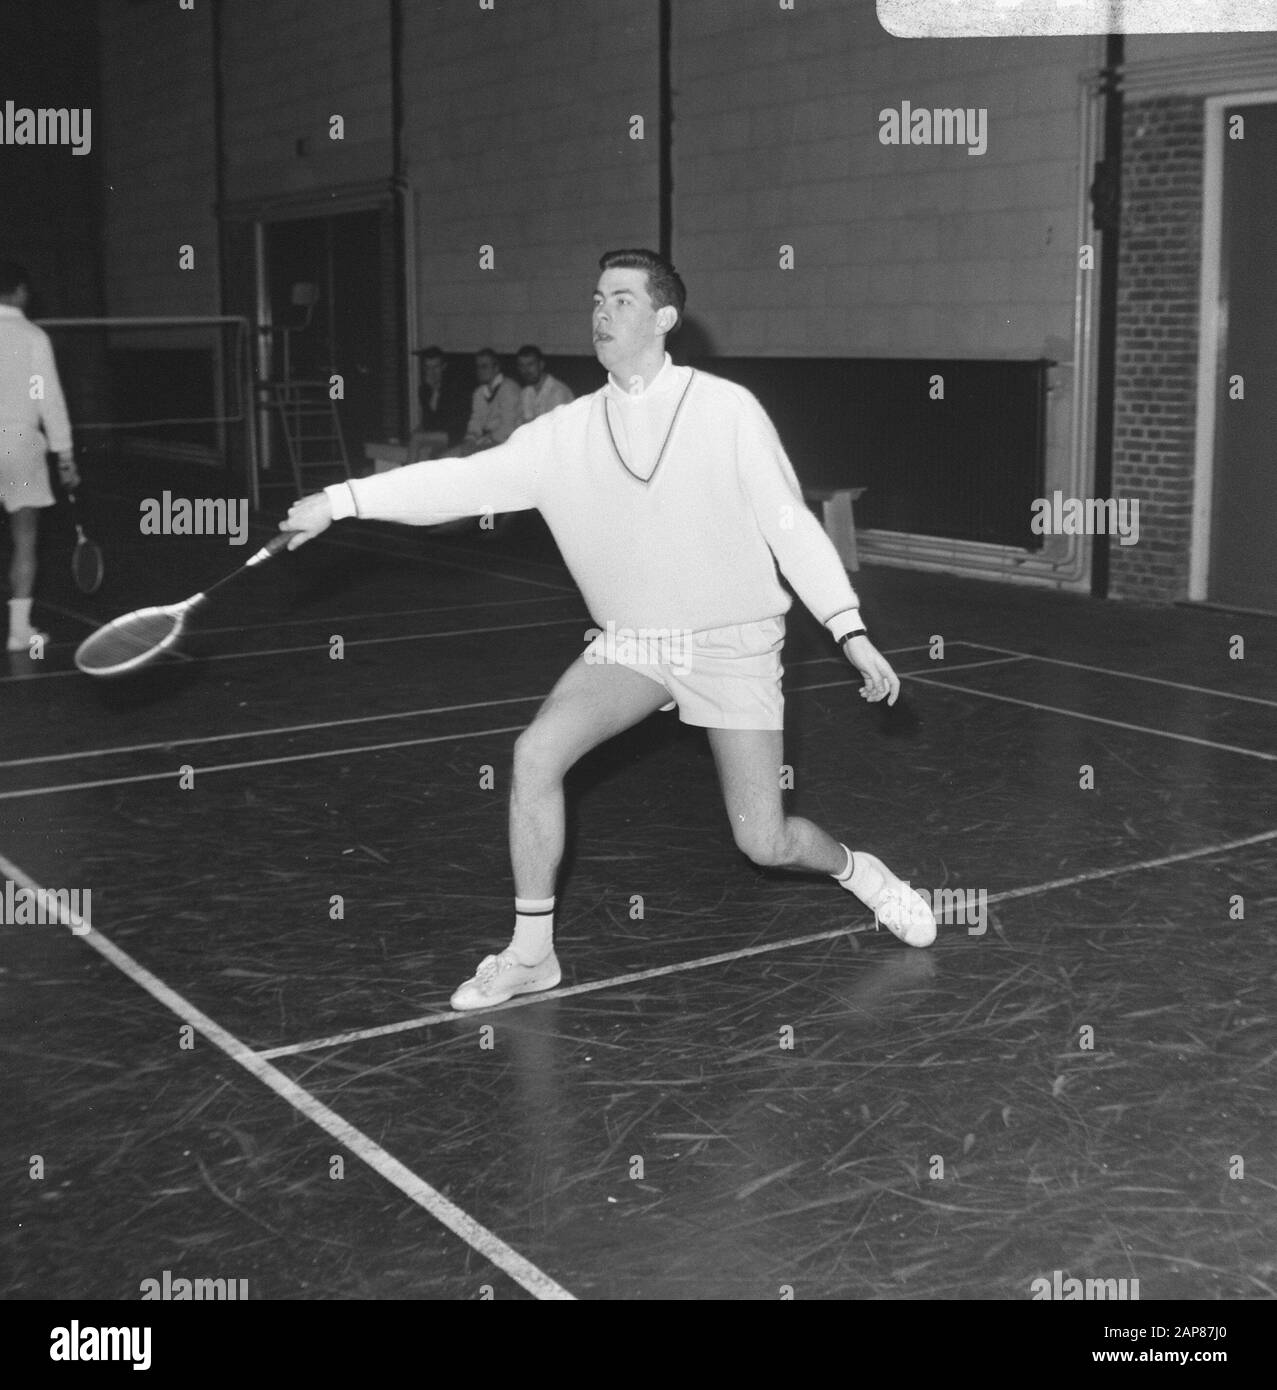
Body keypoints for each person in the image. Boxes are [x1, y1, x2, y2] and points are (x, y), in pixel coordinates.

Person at [284, 248, 936, 1011]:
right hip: (632, 643)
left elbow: (789, 526)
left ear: (664, 318)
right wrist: (341, 498)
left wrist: (847, 627)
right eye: (596, 299)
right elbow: (457, 481)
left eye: (621, 300)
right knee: (535, 755)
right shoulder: (563, 433)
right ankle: (532, 955)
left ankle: (860, 872)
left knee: (764, 842)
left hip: (732, 642)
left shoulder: (725, 411)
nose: (601, 312)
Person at [0, 260, 78, 653]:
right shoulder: (32, 336)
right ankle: (19, 633)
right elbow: (49, 399)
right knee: (24, 540)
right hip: (19, 443)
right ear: (20, 292)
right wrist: (65, 455)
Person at [447, 347, 520, 457]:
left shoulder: (508, 388)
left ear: (496, 368)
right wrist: (470, 439)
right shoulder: (479, 392)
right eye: (478, 367)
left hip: (506, 443)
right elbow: (475, 421)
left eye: (484, 367)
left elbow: (508, 427)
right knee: (445, 458)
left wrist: (483, 441)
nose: (480, 371)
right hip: (485, 441)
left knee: (467, 458)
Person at [411, 345, 468, 457]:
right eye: (428, 367)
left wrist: (436, 392)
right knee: (424, 452)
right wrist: (432, 392)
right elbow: (428, 422)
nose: (432, 372)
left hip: (455, 434)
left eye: (436, 367)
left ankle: (406, 474)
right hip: (439, 434)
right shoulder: (425, 390)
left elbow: (448, 423)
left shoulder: (453, 387)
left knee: (416, 438)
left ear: (443, 367)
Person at [515, 344, 573, 424]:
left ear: (541, 365)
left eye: (530, 364)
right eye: (521, 365)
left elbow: (555, 428)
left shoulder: (558, 392)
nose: (525, 370)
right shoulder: (525, 392)